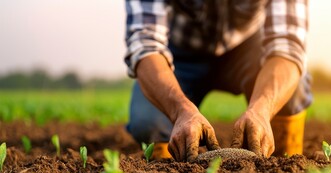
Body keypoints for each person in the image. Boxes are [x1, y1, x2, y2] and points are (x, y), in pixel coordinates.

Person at [125, 0, 312, 161]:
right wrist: (180, 111)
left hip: (247, 47)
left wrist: (261, 109)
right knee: (147, 121)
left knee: (290, 91)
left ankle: (283, 162)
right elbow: (145, 44)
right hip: (180, 52)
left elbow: (287, 46)